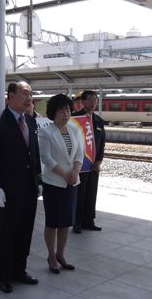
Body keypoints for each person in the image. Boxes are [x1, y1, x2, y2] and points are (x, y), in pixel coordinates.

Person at [0, 81, 42, 294]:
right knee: (7, 232)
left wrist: (39, 180)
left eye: (31, 93)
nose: (29, 98)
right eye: (25, 93)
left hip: (28, 188)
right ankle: (5, 274)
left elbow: (34, 154)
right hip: (7, 190)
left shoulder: (31, 121)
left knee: (25, 230)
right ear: (10, 96)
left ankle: (20, 270)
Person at [38, 94, 83, 274]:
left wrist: (75, 172)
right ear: (53, 112)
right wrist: (65, 174)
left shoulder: (74, 129)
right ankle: (51, 255)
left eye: (68, 109)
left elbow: (80, 153)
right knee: (52, 222)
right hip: (54, 183)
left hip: (72, 182)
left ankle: (61, 254)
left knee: (65, 222)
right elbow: (46, 158)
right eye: (62, 110)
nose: (66, 113)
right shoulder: (46, 132)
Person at [72, 90, 105, 233]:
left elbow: (102, 143)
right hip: (80, 164)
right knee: (79, 193)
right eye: (90, 100)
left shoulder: (98, 121)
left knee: (91, 192)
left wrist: (99, 161)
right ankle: (77, 222)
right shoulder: (74, 119)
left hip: (93, 164)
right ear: (83, 102)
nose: (93, 103)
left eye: (95, 100)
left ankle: (89, 220)